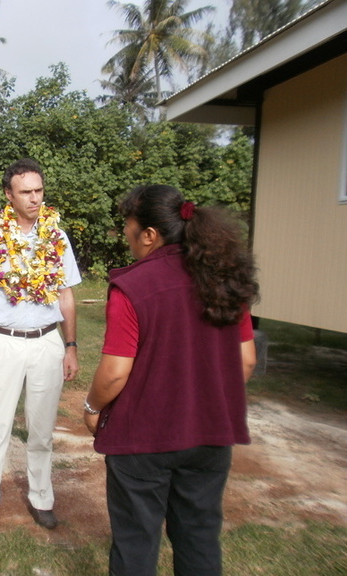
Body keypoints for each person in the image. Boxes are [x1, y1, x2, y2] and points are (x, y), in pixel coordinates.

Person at [84, 184, 259, 576]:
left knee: (136, 543)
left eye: (128, 225)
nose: (125, 233)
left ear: (149, 234)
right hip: (211, 435)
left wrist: (92, 407)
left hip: (142, 439)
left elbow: (114, 372)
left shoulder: (132, 285)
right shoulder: (226, 279)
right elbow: (245, 360)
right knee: (199, 537)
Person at [0, 158, 82, 530]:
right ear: (8, 195)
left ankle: (42, 497)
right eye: (25, 191)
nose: (34, 198)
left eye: (39, 190)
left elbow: (66, 295)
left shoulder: (56, 237)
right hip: (2, 342)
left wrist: (71, 345)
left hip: (47, 342)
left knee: (42, 428)